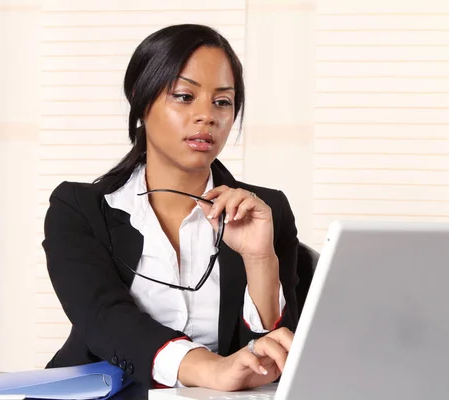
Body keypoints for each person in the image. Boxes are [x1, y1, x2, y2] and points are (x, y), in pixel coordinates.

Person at [42, 24, 316, 391]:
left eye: (222, 101)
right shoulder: (79, 209)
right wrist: (211, 370)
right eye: (185, 96)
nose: (207, 116)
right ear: (141, 98)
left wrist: (260, 259)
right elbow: (104, 320)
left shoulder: (266, 210)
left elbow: (275, 353)